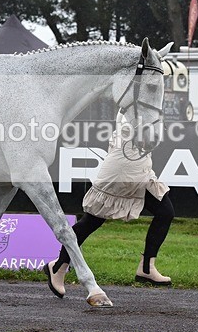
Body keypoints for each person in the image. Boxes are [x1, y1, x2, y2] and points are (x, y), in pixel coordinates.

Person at [43, 109, 175, 299]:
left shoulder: (146, 104)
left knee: (164, 212)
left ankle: (146, 267)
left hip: (140, 167)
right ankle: (58, 266)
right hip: (122, 170)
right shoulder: (134, 102)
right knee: (92, 221)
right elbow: (146, 137)